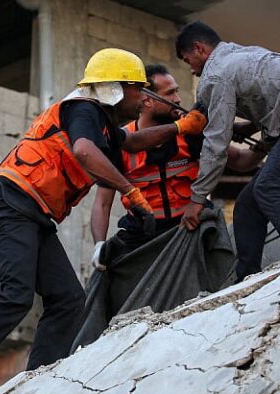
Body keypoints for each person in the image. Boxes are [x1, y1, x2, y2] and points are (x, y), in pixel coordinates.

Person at [0, 48, 207, 394]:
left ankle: (35, 382)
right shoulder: (83, 110)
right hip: (11, 207)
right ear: (115, 88)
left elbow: (130, 143)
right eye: (138, 90)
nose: (144, 99)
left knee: (67, 299)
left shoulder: (102, 124)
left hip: (33, 215)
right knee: (16, 295)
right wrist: (130, 190)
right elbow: (83, 151)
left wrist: (179, 128)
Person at [175, 21, 280, 281]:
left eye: (189, 61)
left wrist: (197, 200)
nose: (192, 70)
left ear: (199, 49)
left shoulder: (216, 74)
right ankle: (247, 279)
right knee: (247, 205)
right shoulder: (243, 55)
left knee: (267, 186)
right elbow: (274, 101)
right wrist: (251, 127)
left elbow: (216, 145)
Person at [90, 64, 263, 269]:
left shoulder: (192, 132)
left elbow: (242, 161)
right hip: (143, 237)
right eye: (170, 93)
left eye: (177, 91)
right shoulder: (120, 142)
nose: (178, 100)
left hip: (191, 227)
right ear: (147, 100)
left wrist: (268, 139)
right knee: (104, 285)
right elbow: (102, 203)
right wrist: (99, 246)